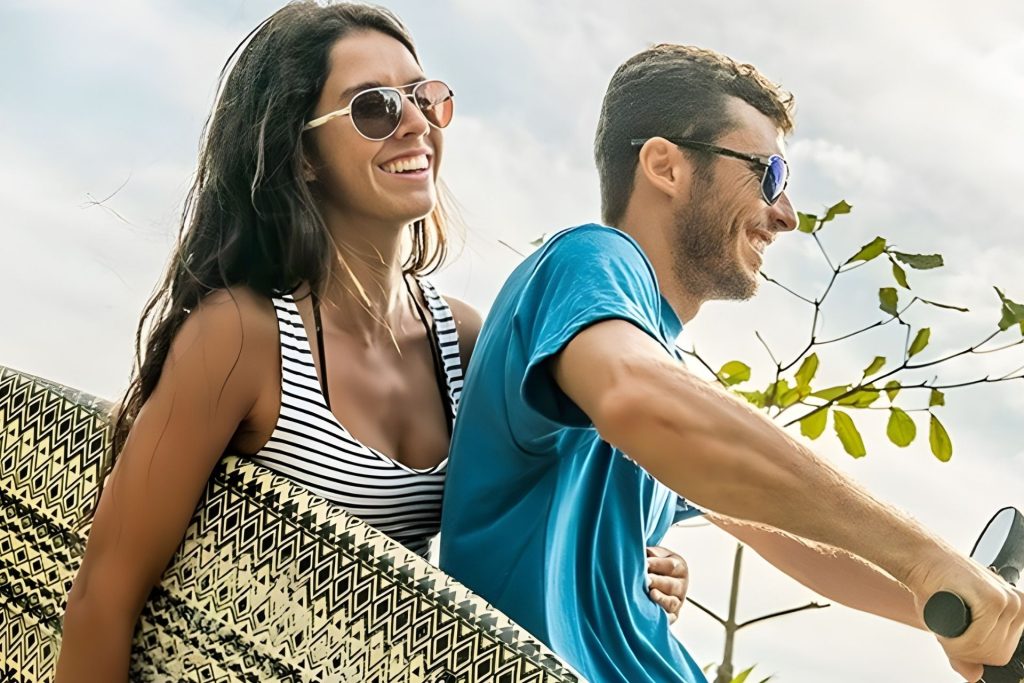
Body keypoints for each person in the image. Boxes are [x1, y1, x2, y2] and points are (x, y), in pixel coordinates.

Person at [55, 4, 689, 680]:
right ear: (303, 155)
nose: (414, 122)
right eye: (375, 108)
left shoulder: (469, 344)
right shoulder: (239, 337)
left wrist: (626, 569)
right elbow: (103, 596)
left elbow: (548, 531)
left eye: (425, 98)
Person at [439, 43, 1024, 683]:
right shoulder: (592, 259)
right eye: (768, 175)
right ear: (666, 166)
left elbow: (796, 533)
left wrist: (950, 613)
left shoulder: (655, 368)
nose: (787, 215)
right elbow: (642, 399)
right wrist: (925, 559)